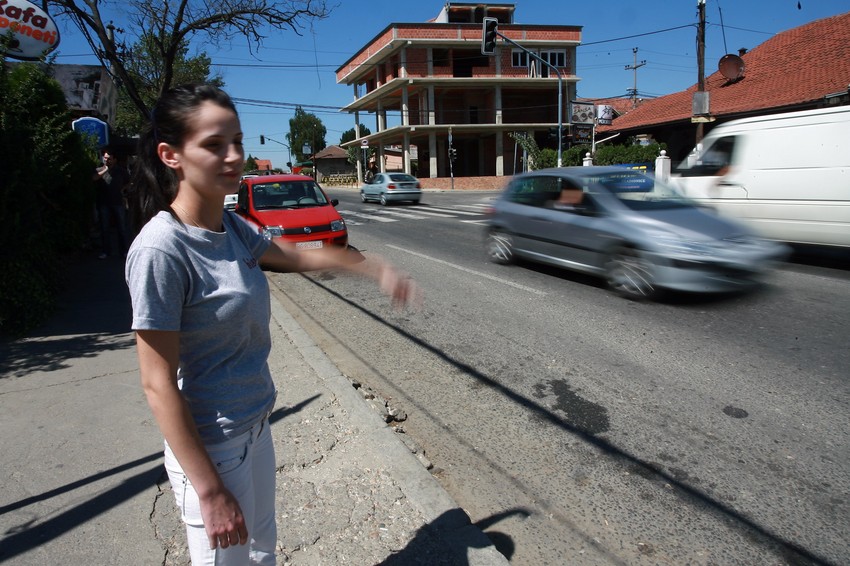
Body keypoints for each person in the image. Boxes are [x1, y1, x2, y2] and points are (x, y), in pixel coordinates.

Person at [124, 83, 417, 566]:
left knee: (261, 553)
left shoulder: (231, 227)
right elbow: (157, 384)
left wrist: (369, 265)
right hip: (212, 446)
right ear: (170, 155)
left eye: (237, 141)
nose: (234, 156)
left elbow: (292, 258)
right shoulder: (162, 249)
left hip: (255, 425)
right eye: (214, 145)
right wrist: (210, 490)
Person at [93, 148, 130, 258]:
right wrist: (105, 169)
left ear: (114, 159)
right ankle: (106, 251)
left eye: (109, 159)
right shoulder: (100, 169)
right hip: (104, 202)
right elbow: (94, 178)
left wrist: (123, 189)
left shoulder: (121, 171)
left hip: (118, 201)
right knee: (105, 228)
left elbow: (129, 182)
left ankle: (123, 251)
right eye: (105, 158)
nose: (107, 160)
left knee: (121, 228)